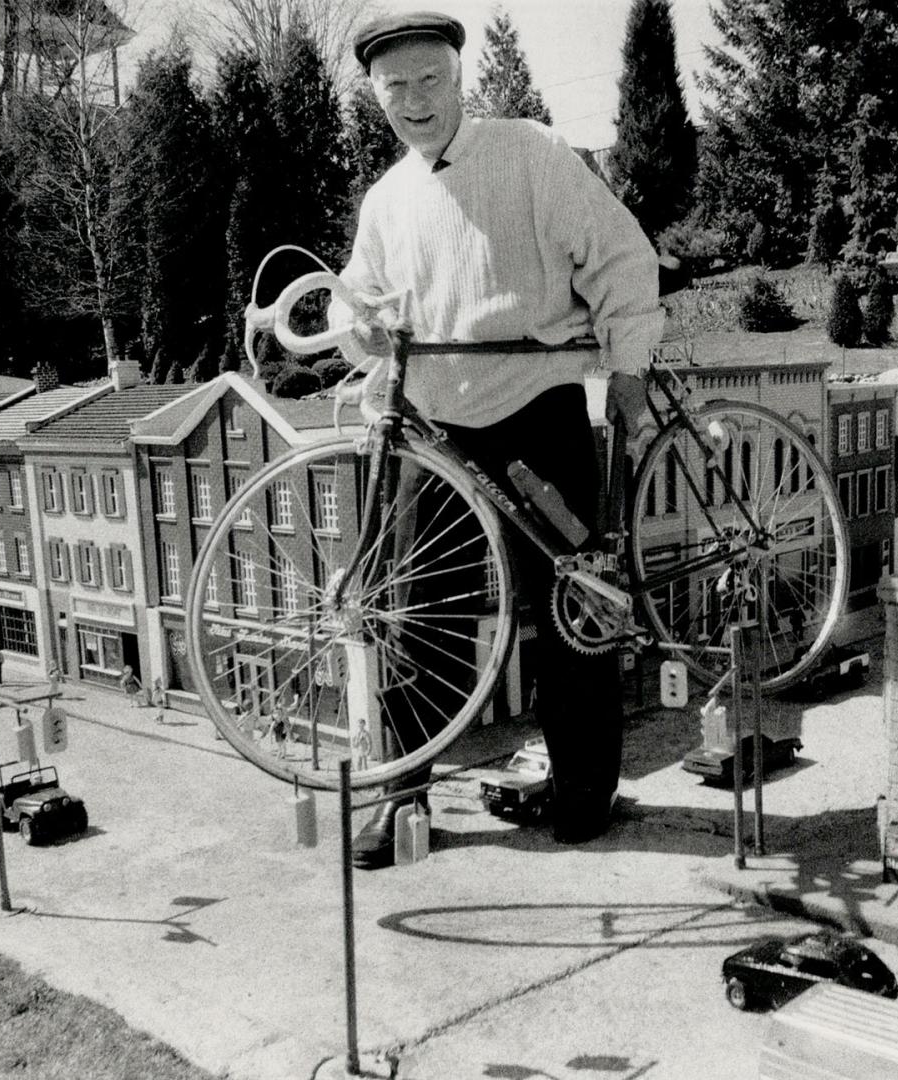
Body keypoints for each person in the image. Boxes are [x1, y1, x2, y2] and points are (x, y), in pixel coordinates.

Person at [332, 12, 661, 868]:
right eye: (395, 87)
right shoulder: (385, 201)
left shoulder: (529, 154)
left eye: (430, 81)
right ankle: (403, 795)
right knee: (412, 613)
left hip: (535, 407)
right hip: (435, 435)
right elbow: (353, 306)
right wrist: (356, 327)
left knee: (573, 609)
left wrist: (627, 368)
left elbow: (621, 255)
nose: (415, 101)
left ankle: (584, 790)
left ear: (459, 79)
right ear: (375, 97)